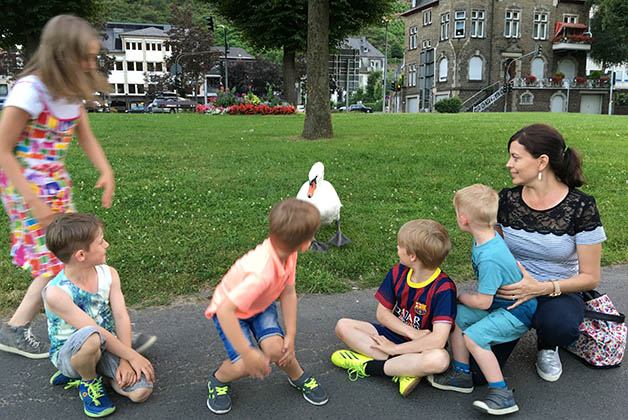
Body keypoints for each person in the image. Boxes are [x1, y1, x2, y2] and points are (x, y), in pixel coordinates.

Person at [0, 15, 115, 359]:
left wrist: (105, 170)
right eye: (86, 57)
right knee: (58, 262)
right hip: (24, 186)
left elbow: (86, 137)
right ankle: (21, 328)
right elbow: (3, 148)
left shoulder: (70, 94)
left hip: (54, 185)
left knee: (66, 257)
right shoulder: (30, 91)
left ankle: (81, 327)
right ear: (63, 55)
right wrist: (33, 200)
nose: (92, 65)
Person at [486, 123, 606, 384]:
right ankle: (512, 327)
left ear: (542, 162)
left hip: (558, 289)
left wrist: (540, 288)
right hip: (514, 289)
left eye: (516, 157)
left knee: (559, 325)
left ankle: (547, 345)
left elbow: (590, 278)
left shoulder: (580, 206)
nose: (509, 164)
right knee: (478, 373)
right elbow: (497, 251)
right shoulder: (506, 200)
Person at [204, 198, 328, 414]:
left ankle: (299, 377)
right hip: (231, 312)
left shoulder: (288, 253)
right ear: (306, 243)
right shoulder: (261, 272)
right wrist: (248, 353)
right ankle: (218, 380)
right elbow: (225, 310)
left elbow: (288, 292)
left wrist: (290, 334)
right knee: (243, 365)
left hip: (259, 305)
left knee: (278, 349)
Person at [427, 184, 536, 415]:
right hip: (501, 304)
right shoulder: (487, 236)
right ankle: (462, 375)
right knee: (456, 319)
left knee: (473, 338)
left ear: (464, 220)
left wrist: (461, 296)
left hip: (516, 312)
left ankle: (502, 394)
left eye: (457, 213)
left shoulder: (489, 257)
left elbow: (483, 303)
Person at [42, 213, 154, 418]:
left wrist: (125, 360)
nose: (107, 245)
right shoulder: (56, 293)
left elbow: (121, 316)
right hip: (72, 351)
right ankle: (88, 382)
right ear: (81, 255)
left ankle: (96, 371)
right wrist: (133, 355)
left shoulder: (109, 274)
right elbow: (94, 330)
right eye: (101, 242)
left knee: (141, 392)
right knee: (91, 336)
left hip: (105, 345)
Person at [332, 219, 456, 397]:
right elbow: (382, 314)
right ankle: (405, 369)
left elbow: (437, 340)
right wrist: (411, 333)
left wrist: (394, 349)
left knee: (440, 359)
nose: (397, 249)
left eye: (399, 246)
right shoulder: (398, 272)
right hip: (394, 335)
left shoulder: (444, 288)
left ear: (412, 256)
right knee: (343, 326)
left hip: (422, 347)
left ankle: (368, 367)